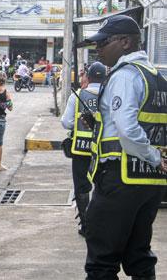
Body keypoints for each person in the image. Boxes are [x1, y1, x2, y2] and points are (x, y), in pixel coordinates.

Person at [83, 15, 167, 279]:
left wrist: (154, 156)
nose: (98, 49)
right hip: (151, 183)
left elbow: (128, 130)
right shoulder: (156, 79)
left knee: (102, 261)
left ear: (125, 42)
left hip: (120, 178)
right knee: (139, 255)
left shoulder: (125, 76)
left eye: (104, 42)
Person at [60, 62, 106, 237]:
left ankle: (86, 226)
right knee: (101, 187)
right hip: (102, 150)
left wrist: (77, 124)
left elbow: (65, 122)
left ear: (90, 77)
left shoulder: (78, 95)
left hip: (80, 149)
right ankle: (100, 225)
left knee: (82, 188)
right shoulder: (108, 95)